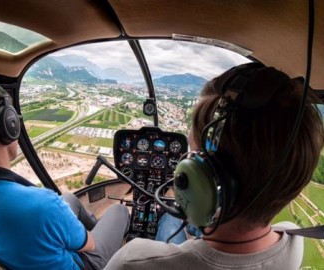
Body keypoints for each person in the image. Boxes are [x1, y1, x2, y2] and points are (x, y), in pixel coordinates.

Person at [105, 63, 324, 270]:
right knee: (174, 217)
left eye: (191, 155)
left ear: (206, 177)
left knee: (170, 217)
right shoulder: (295, 239)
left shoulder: (132, 262)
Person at [0, 82, 130, 270]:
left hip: (18, 256)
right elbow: (89, 245)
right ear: (10, 127)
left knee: (68, 198)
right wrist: (73, 235)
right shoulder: (43, 203)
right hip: (82, 264)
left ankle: (82, 231)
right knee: (119, 211)